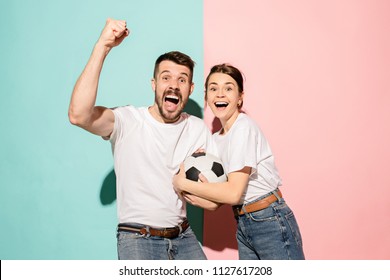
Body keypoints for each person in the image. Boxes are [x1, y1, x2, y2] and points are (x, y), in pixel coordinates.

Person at [68, 18, 218, 260]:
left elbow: (213, 196)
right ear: (154, 84)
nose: (173, 85)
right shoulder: (128, 120)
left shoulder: (197, 129)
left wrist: (190, 188)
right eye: (166, 77)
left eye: (182, 80)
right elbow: (78, 115)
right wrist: (102, 47)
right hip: (138, 238)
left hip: (184, 237)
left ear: (190, 89)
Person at [173, 63, 305, 260]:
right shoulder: (216, 139)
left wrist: (181, 183)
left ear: (240, 97)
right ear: (206, 96)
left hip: (269, 218)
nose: (220, 94)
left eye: (228, 88)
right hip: (244, 221)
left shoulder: (243, 128)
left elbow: (233, 193)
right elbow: (216, 203)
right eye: (213, 88)